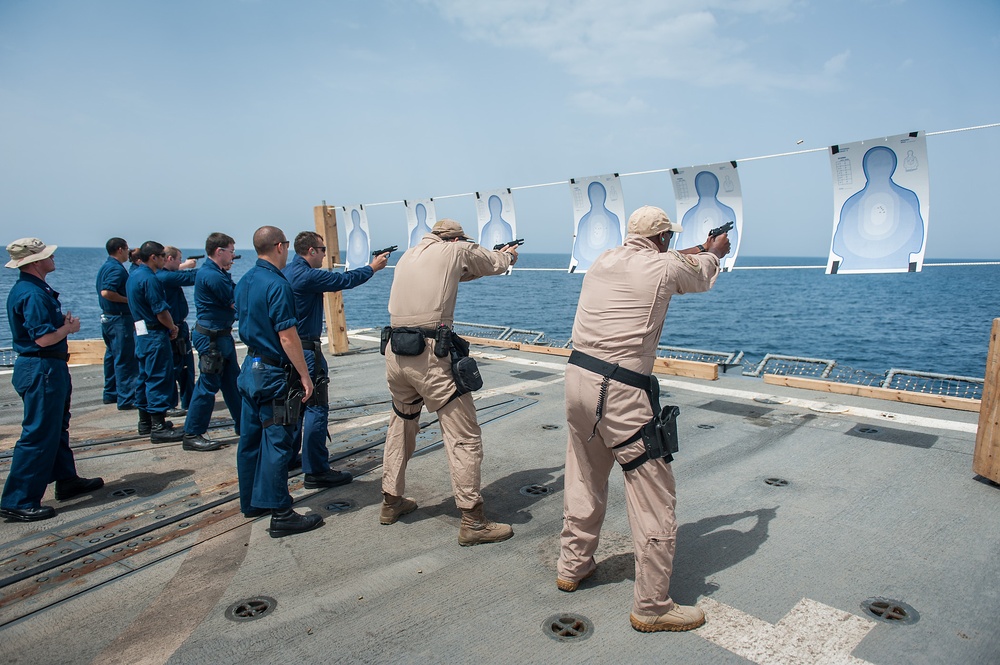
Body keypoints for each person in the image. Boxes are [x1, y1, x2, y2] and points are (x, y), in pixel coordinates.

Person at [556, 206, 730, 633]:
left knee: (584, 475)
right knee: (654, 494)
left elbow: (661, 258)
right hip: (619, 391)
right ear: (665, 238)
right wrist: (715, 251)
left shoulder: (605, 259)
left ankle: (572, 566)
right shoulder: (668, 266)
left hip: (578, 382)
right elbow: (700, 273)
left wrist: (693, 247)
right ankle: (652, 605)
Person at [381, 219, 518, 546]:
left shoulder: (409, 256)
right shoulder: (457, 249)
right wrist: (508, 255)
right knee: (464, 435)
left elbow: (461, 273)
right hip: (430, 355)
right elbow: (491, 264)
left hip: (396, 352)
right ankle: (472, 519)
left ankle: (390, 501)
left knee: (401, 424)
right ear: (456, 238)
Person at [2, 238, 103, 521]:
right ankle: (18, 498)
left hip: (46, 367)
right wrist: (68, 328)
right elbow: (43, 338)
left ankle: (66, 479)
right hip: (42, 367)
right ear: (34, 263)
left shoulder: (33, 289)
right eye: (47, 256)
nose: (53, 259)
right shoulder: (32, 294)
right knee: (38, 433)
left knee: (56, 427)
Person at [234, 226, 322, 538]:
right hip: (273, 373)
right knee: (277, 442)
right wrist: (304, 374)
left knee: (250, 441)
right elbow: (287, 335)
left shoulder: (244, 281)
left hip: (250, 368)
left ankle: (253, 503)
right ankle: (281, 513)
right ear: (280, 246)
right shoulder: (277, 284)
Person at [283, 231, 389, 488]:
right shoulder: (306, 275)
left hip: (289, 350)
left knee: (295, 406)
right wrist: (372, 268)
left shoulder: (286, 271)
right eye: (322, 249)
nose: (325, 255)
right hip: (306, 349)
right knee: (316, 406)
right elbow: (344, 280)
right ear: (311, 251)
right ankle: (317, 470)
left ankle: (289, 458)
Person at [181, 233, 240, 452]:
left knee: (233, 383)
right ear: (219, 251)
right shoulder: (213, 276)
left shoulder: (216, 273)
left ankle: (244, 424)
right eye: (231, 251)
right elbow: (236, 302)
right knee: (208, 385)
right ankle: (193, 432)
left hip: (220, 335)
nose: (233, 255)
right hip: (212, 338)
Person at [125, 241, 186, 445]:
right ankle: (158, 426)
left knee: (144, 376)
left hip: (141, 333)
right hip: (154, 334)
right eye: (161, 256)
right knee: (158, 377)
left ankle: (145, 422)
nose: (163, 259)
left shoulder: (133, 276)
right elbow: (160, 310)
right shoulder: (150, 279)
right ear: (153, 257)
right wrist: (172, 327)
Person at [96, 237, 139, 410]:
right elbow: (107, 292)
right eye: (127, 249)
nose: (128, 252)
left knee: (112, 356)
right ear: (120, 249)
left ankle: (111, 392)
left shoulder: (106, 266)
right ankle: (127, 397)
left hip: (108, 318)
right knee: (125, 358)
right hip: (119, 318)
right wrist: (128, 300)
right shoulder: (116, 269)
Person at [157, 246, 198, 419]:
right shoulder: (164, 277)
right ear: (169, 259)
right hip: (173, 327)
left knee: (184, 367)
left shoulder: (164, 275)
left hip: (177, 325)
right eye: (178, 259)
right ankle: (173, 402)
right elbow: (189, 277)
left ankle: (187, 400)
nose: (181, 262)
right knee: (176, 367)